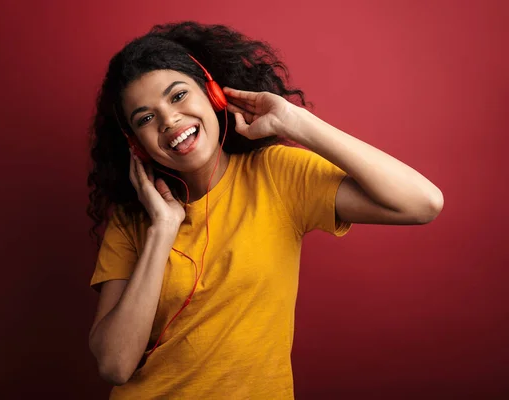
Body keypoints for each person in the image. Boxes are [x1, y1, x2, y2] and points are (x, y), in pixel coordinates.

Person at [86, 21, 444, 399]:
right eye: (145, 118)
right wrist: (162, 229)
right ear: (136, 145)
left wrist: (295, 120)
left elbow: (423, 203)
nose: (169, 120)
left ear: (212, 93)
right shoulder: (131, 222)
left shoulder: (277, 174)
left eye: (177, 96)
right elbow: (115, 365)